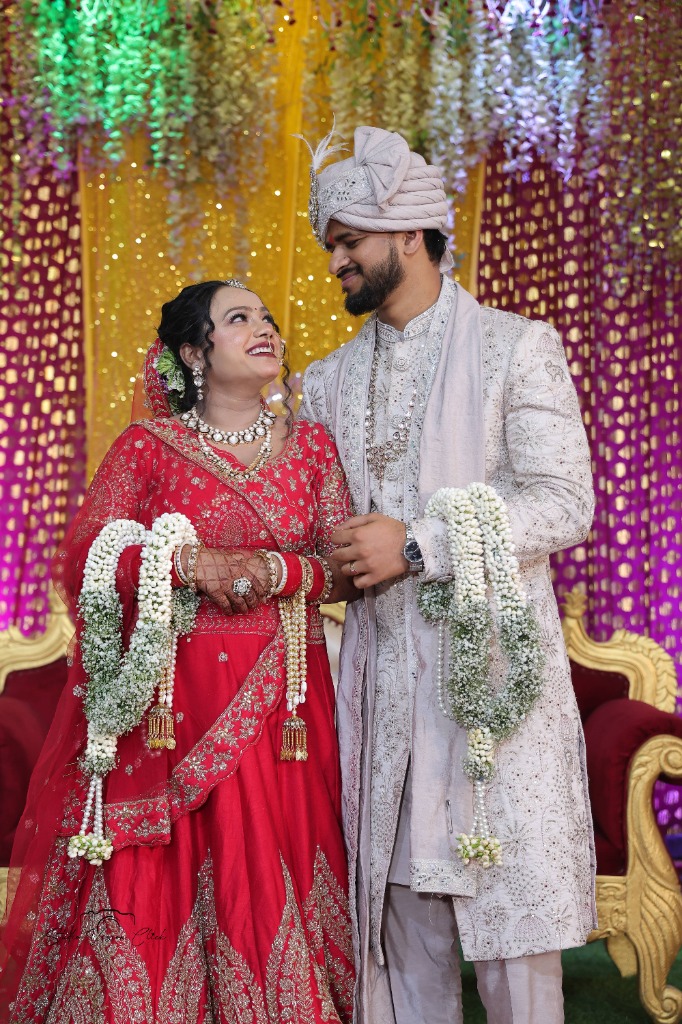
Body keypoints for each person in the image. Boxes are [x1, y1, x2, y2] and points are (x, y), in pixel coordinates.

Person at [298, 126, 597, 1024]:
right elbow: (324, 533)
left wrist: (417, 544)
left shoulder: (515, 348)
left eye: (350, 241)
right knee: (402, 948)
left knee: (514, 957)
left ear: (411, 233)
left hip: (491, 702)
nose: (338, 261)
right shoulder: (326, 383)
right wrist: (335, 566)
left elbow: (562, 501)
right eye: (332, 245)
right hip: (383, 703)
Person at [0, 278, 357, 1023]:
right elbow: (88, 556)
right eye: (238, 320)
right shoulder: (148, 448)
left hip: (280, 703)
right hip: (171, 702)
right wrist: (186, 564)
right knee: (165, 871)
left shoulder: (314, 449)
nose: (265, 330)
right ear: (195, 351)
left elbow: (343, 566)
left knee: (266, 865)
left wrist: (275, 570)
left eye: (265, 318)